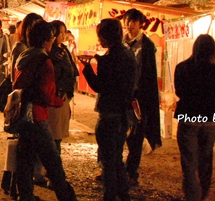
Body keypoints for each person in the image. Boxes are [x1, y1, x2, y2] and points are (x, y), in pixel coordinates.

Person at [13, 20, 77, 201]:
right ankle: (67, 197)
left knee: (25, 161)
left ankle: (25, 196)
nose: (52, 42)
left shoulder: (24, 57)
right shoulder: (44, 61)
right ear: (45, 40)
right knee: (53, 162)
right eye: (51, 39)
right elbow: (46, 94)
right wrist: (58, 101)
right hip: (38, 116)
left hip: (22, 117)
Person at [83, 18, 137, 201]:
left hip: (109, 114)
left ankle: (110, 195)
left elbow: (100, 86)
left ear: (107, 36)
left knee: (108, 160)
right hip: (123, 114)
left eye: (100, 36)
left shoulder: (110, 58)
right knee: (116, 158)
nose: (99, 40)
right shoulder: (128, 55)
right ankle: (124, 194)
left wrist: (87, 69)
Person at [173, 34, 215, 201]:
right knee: (206, 161)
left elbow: (179, 92)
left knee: (189, 163)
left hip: (188, 119)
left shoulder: (181, 68)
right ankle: (203, 196)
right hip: (208, 119)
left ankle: (192, 196)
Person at [122, 9, 161, 183]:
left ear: (140, 23)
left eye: (133, 21)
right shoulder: (120, 43)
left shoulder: (147, 45)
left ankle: (132, 171)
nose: (130, 25)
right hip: (121, 95)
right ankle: (114, 168)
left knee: (136, 134)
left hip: (139, 96)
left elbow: (150, 75)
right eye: (128, 21)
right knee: (118, 132)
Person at [47, 20, 79, 153]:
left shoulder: (64, 49)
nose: (63, 35)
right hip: (56, 96)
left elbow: (71, 70)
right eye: (60, 32)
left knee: (58, 133)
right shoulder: (52, 52)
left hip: (65, 95)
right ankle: (54, 166)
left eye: (64, 32)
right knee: (55, 133)